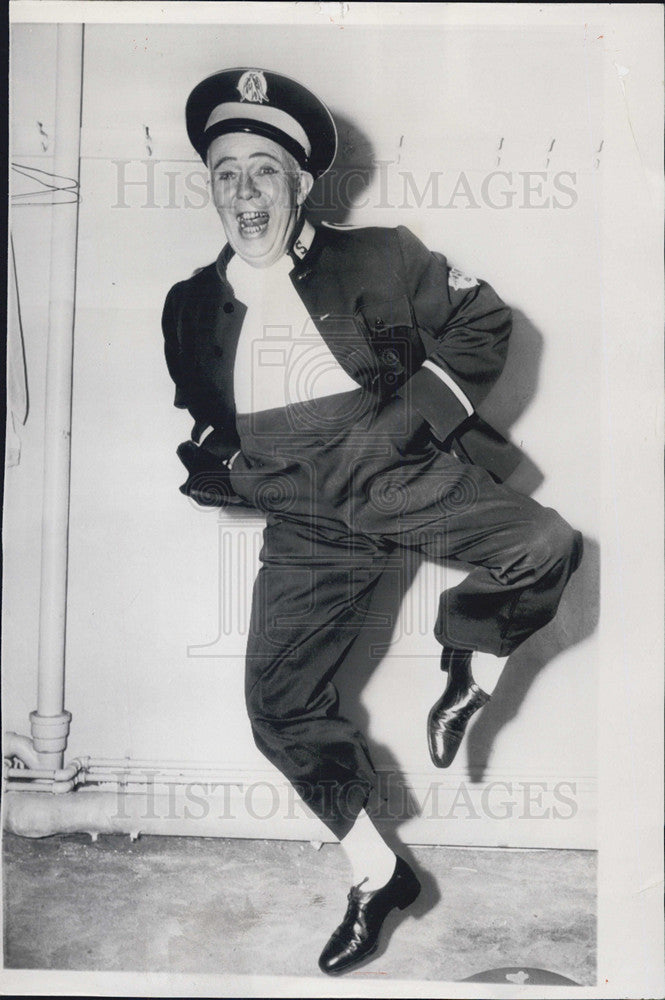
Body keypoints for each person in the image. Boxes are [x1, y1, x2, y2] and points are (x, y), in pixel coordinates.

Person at [161, 66, 583, 976]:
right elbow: (199, 409)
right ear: (211, 187)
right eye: (225, 171)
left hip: (394, 466)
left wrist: (405, 428)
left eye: (263, 170)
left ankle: (469, 659)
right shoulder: (189, 303)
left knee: (542, 544)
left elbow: (483, 323)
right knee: (276, 707)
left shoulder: (379, 255)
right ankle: (376, 874)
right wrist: (228, 466)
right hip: (307, 515)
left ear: (301, 183)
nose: (244, 191)